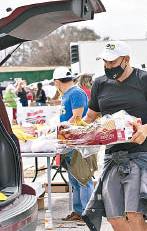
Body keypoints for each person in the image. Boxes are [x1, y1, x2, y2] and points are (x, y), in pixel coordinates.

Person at [81, 40, 147, 231]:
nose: (108, 66)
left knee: (135, 214)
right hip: (111, 156)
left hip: (140, 155)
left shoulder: (145, 80)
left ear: (126, 59)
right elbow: (90, 116)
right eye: (105, 62)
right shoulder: (100, 83)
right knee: (114, 217)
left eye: (112, 62)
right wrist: (72, 133)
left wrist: (145, 129)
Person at [53, 66, 96, 225]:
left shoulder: (76, 93)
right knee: (75, 179)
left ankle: (87, 213)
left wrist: (62, 127)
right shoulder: (68, 94)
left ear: (57, 82)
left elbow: (78, 117)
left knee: (83, 178)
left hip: (79, 142)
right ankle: (78, 211)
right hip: (70, 142)